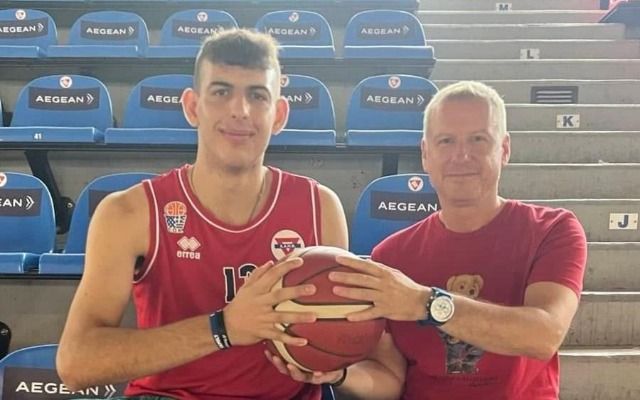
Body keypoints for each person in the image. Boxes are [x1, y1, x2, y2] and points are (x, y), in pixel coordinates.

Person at [56, 29, 350, 400]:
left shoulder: (319, 207)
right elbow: (76, 363)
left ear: (278, 115)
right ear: (193, 107)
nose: (239, 110)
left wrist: (332, 362)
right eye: (221, 92)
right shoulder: (129, 212)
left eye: (257, 95)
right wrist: (223, 327)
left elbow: (344, 339)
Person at [270, 81, 587, 400]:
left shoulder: (552, 230)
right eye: (446, 141)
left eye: (478, 139)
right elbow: (390, 379)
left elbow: (544, 334)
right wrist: (338, 373)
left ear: (504, 149)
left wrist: (425, 303)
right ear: (425, 154)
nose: (461, 155)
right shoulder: (391, 255)